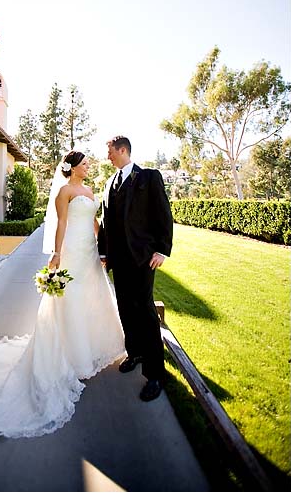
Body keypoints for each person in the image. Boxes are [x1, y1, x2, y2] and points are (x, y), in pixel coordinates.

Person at [0, 151, 125, 439]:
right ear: (73, 167)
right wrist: (56, 253)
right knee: (70, 300)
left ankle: (91, 347)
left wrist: (102, 247)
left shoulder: (90, 190)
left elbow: (95, 223)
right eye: (85, 164)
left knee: (91, 297)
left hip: (89, 251)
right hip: (71, 252)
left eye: (89, 163)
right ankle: (71, 353)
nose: (89, 167)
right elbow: (61, 223)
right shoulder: (64, 192)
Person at [98, 136, 173, 402]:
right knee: (125, 308)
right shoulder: (109, 183)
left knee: (145, 310)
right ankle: (135, 353)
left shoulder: (149, 177)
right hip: (119, 259)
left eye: (109, 152)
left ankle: (155, 374)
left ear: (122, 150)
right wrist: (104, 252)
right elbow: (107, 223)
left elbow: (163, 213)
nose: (107, 156)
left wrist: (162, 249)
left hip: (143, 257)